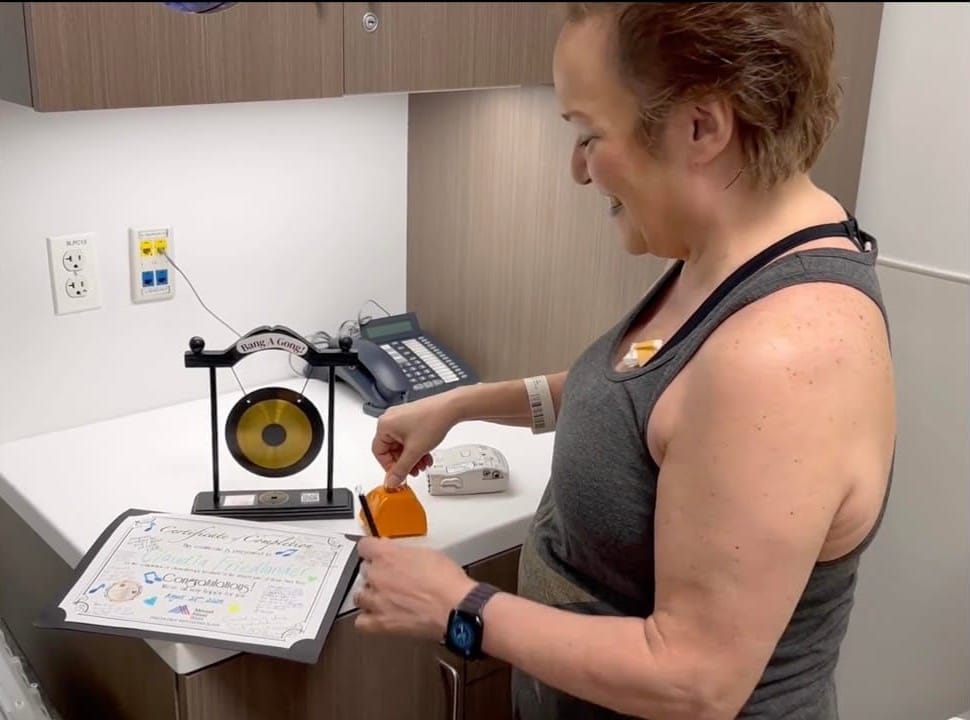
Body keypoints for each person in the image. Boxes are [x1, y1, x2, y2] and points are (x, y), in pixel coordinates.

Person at [352, 3, 896, 719]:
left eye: (588, 134)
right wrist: (462, 403)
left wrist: (459, 604)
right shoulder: (733, 254)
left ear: (700, 127)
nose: (579, 171)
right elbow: (651, 398)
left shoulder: (782, 356)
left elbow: (693, 680)